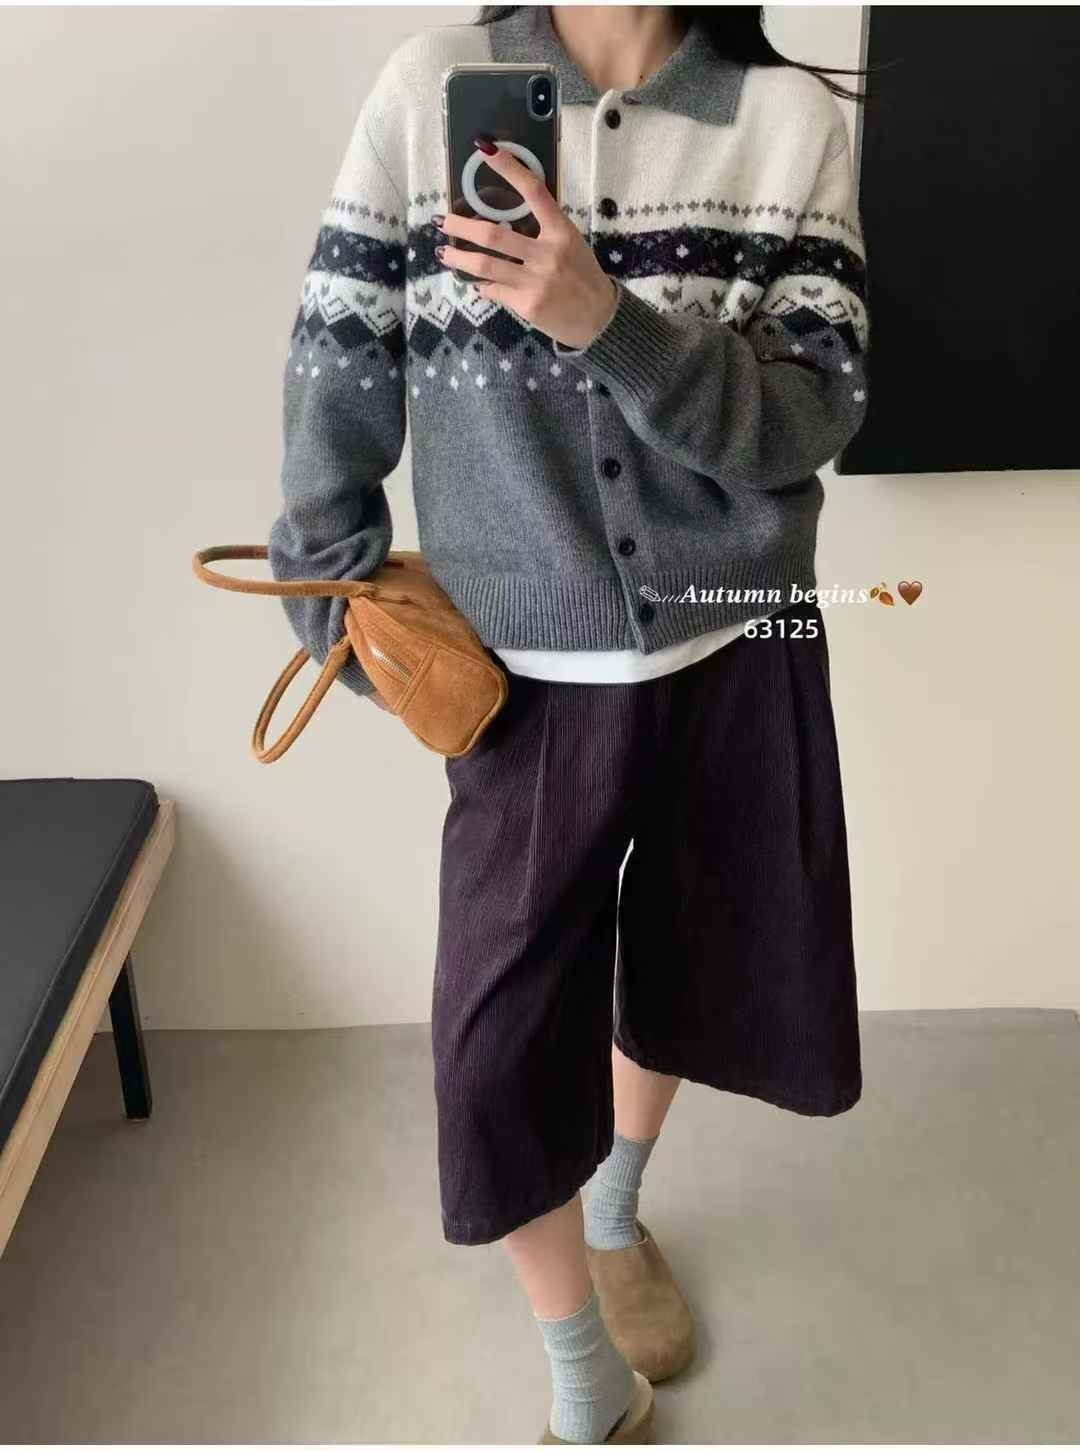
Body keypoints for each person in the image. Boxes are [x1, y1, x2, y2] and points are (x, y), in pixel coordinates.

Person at [269, 5, 871, 1442]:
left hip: (738, 637)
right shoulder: (433, 91)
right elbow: (339, 358)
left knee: (690, 956)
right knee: (499, 1038)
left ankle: (616, 1209)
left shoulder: (789, 122)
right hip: (517, 667)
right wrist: (331, 598)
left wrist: (609, 321)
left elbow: (813, 416)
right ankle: (582, 1370)